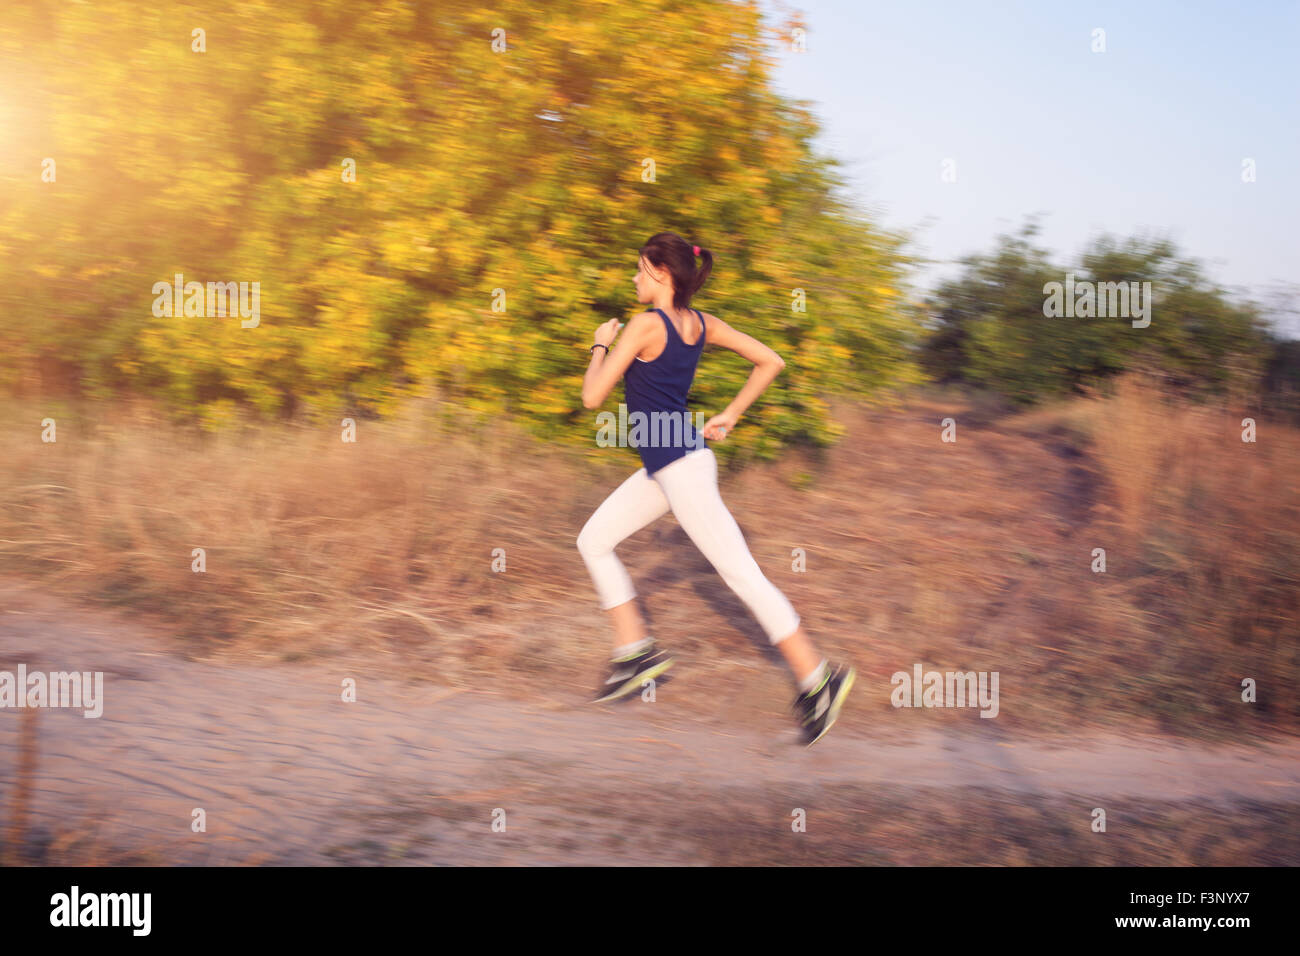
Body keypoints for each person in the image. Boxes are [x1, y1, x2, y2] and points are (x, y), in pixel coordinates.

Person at [576, 232, 855, 746]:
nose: (634, 278)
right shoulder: (702, 324)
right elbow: (771, 360)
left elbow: (593, 396)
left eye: (639, 269)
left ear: (661, 273)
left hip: (681, 469)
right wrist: (731, 413)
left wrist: (598, 342)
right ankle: (636, 652)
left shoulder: (642, 326)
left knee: (742, 576)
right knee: (593, 541)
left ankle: (820, 679)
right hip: (672, 465)